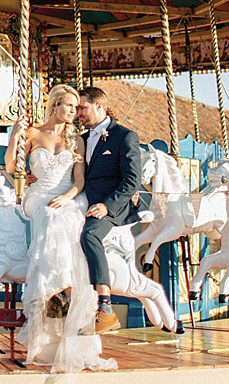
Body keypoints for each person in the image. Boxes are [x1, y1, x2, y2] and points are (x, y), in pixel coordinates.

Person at [4, 83, 115, 372]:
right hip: (39, 194)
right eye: (68, 106)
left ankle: (61, 288)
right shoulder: (32, 134)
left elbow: (79, 180)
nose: (74, 111)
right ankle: (63, 287)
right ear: (55, 106)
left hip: (67, 195)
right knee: (50, 217)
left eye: (77, 106)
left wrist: (67, 197)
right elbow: (11, 167)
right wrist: (15, 135)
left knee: (64, 218)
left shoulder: (75, 140)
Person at [77, 85, 142, 334]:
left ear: (99, 106)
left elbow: (131, 181)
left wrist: (106, 206)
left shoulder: (124, 136)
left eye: (83, 107)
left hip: (113, 205)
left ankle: (105, 306)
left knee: (90, 234)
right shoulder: (82, 140)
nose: (79, 113)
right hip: (85, 200)